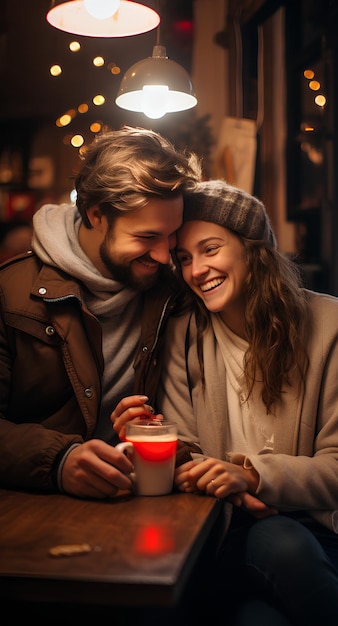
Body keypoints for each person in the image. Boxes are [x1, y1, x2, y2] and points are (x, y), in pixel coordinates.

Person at [112, 180, 338, 626]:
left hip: (324, 535)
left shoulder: (328, 321)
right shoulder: (185, 332)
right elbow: (188, 458)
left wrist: (252, 477)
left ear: (252, 249)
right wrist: (155, 440)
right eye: (184, 258)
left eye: (210, 249)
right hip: (225, 531)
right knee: (278, 539)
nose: (196, 270)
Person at [0, 125, 202, 499]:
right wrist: (60, 461)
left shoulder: (174, 294)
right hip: (30, 508)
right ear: (97, 216)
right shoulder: (9, 293)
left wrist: (154, 429)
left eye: (171, 235)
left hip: (145, 500)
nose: (163, 255)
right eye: (146, 237)